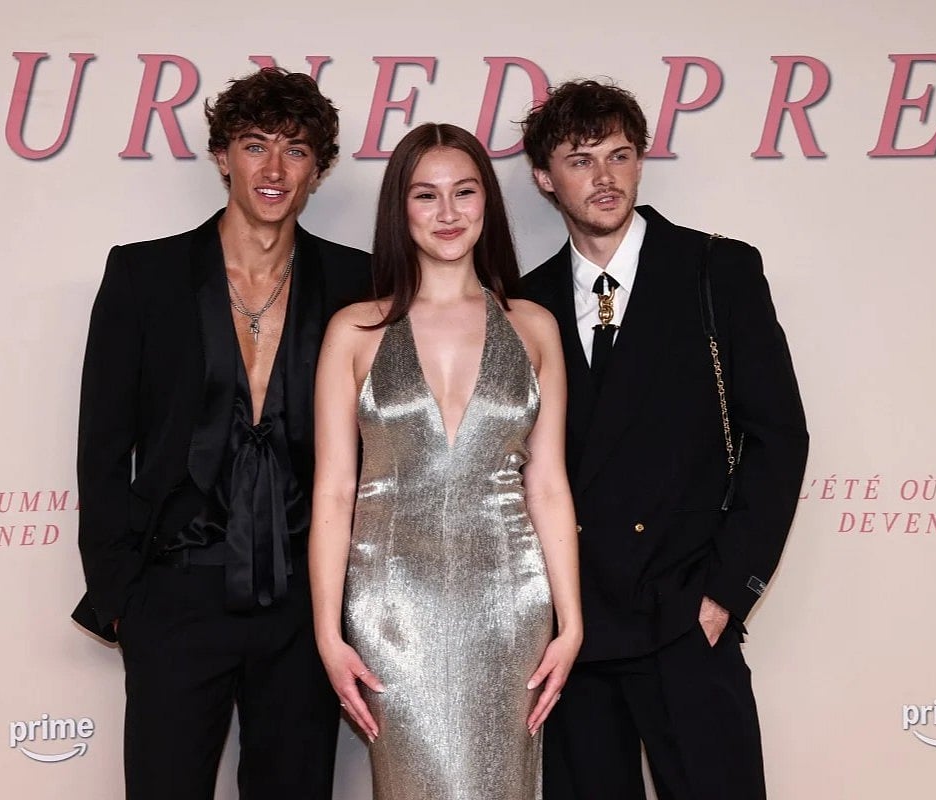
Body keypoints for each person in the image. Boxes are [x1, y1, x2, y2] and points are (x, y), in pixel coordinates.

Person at [71, 67, 370, 800]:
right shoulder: (144, 276)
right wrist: (121, 599)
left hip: (306, 600)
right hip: (174, 594)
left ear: (318, 169)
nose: (272, 169)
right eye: (254, 145)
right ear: (221, 156)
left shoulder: (357, 282)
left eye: (295, 150)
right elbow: (102, 447)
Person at [519, 80, 809, 800]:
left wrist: (723, 595)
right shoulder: (521, 302)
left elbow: (776, 437)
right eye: (580, 160)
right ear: (543, 179)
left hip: (684, 616)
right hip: (573, 629)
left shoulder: (717, 270)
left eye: (620, 155)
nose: (605, 177)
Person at [309, 122, 583, 800]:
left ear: (486, 203)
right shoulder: (354, 329)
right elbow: (333, 493)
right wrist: (327, 632)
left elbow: (547, 485)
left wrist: (570, 622)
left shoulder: (534, 327)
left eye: (464, 193)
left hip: (510, 607)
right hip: (389, 610)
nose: (448, 213)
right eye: (426, 196)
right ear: (400, 210)